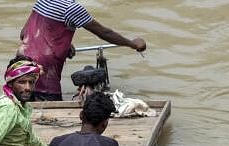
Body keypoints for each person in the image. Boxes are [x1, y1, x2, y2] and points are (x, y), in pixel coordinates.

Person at [19, 0, 147, 101]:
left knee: (24, 102)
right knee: (50, 106)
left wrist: (63, 44)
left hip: (21, 63)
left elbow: (25, 33)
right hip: (45, 69)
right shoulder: (71, 8)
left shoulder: (43, 1)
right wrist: (133, 44)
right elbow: (105, 33)